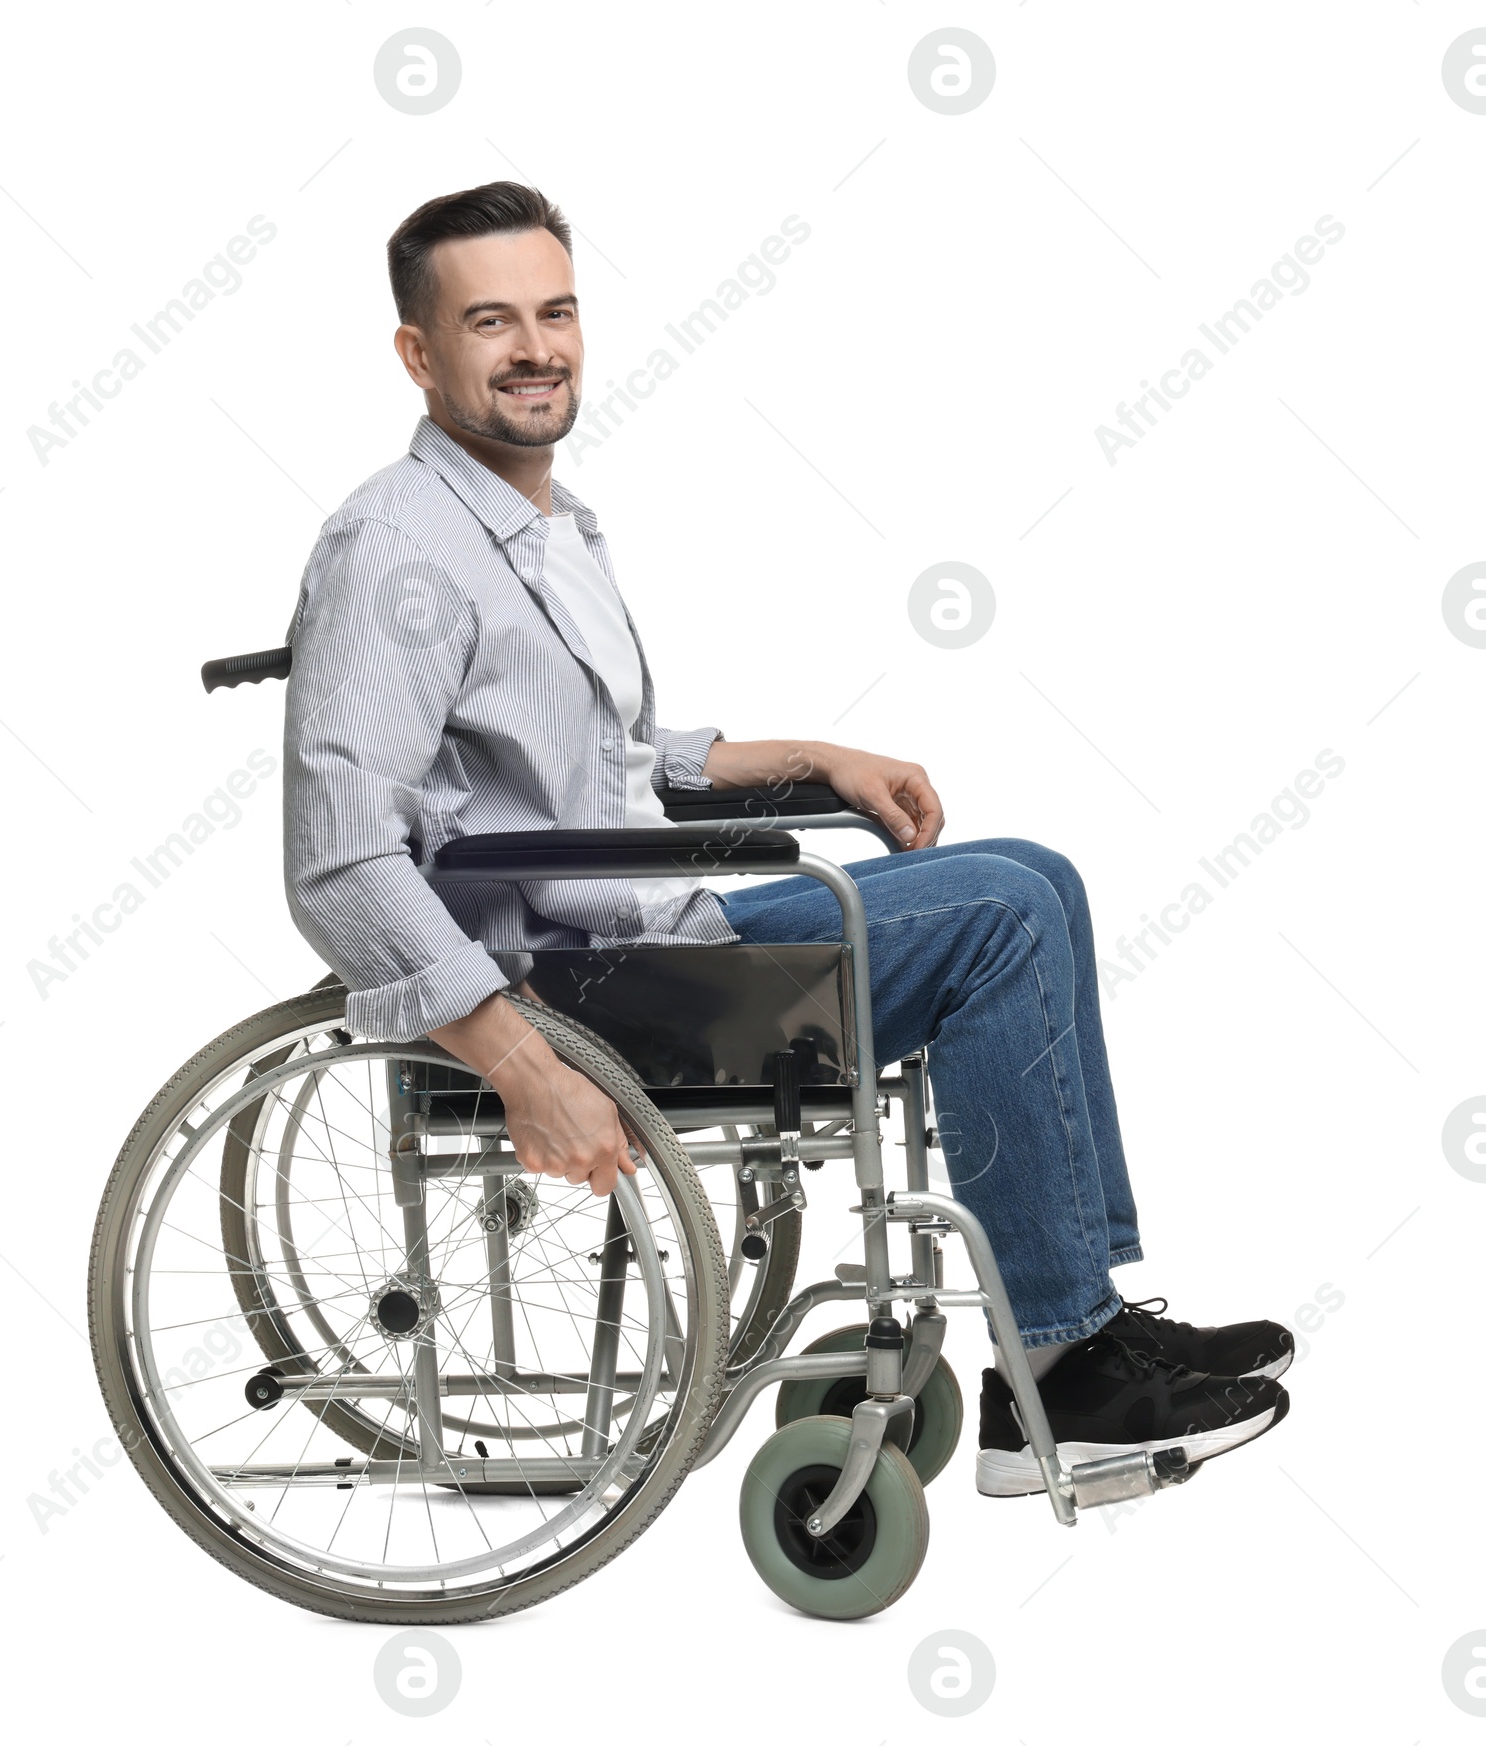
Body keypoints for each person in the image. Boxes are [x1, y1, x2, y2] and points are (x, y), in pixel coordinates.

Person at [282, 180, 1291, 1498]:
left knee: (1038, 872)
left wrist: (813, 756)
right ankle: (1061, 1361)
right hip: (574, 988)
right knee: (999, 917)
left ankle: (1082, 1311)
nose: (538, 346)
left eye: (557, 311)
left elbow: (606, 761)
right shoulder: (400, 549)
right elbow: (339, 853)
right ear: (420, 353)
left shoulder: (535, 523)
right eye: (491, 321)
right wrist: (521, 1061)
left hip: (639, 936)